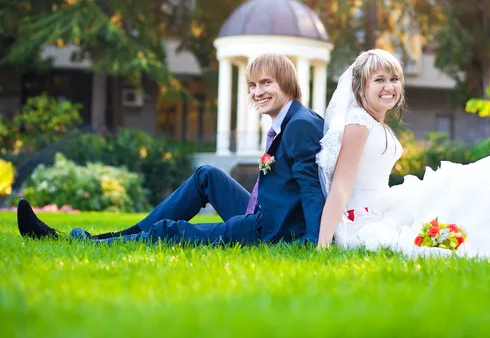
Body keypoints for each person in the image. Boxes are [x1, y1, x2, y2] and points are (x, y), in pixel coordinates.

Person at [315, 49, 490, 258]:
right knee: (458, 191)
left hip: (386, 202)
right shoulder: (359, 123)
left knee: (466, 187)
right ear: (360, 87)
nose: (389, 87)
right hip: (366, 217)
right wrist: (323, 246)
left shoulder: (377, 124)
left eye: (394, 79)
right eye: (379, 80)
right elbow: (341, 184)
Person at [17, 54, 326, 246]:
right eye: (252, 85)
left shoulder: (299, 124)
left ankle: (90, 243)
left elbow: (312, 189)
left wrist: (315, 243)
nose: (256, 92)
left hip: (269, 231)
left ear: (286, 82)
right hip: (265, 214)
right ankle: (116, 236)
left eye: (266, 83)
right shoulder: (291, 119)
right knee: (207, 176)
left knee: (169, 232)